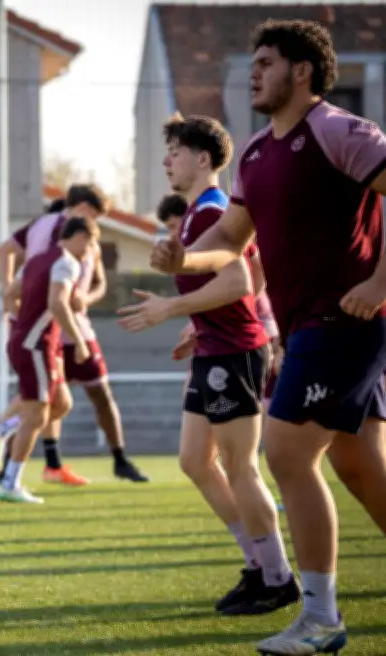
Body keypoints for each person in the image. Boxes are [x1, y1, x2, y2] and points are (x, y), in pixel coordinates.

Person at [150, 19, 386, 654]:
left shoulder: (341, 131)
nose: (253, 71)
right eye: (252, 62)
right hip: (311, 327)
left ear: (301, 71)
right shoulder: (255, 153)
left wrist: (382, 281)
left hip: (345, 323)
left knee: (285, 455)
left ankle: (321, 619)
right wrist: (183, 261)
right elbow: (229, 241)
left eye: (265, 62)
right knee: (360, 467)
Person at [119, 113, 298, 617]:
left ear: (202, 159)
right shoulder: (205, 212)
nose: (165, 160)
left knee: (240, 467)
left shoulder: (212, 210)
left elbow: (241, 281)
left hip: (236, 353)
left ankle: (278, 578)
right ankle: (257, 564)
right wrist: (199, 324)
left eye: (174, 150)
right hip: (216, 347)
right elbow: (255, 277)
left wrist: (172, 308)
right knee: (196, 462)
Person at [0, 185, 148, 491]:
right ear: (79, 208)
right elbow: (53, 298)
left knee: (58, 400)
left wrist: (11, 300)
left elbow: (19, 270)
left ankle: (22, 452)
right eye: (92, 215)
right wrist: (71, 331)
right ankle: (6, 467)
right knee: (38, 401)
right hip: (51, 330)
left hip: (51, 327)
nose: (95, 229)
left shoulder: (63, 239)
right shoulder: (60, 244)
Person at [0, 217, 100, 502]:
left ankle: (1, 431)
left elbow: (9, 293)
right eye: (91, 242)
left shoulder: (36, 259)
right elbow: (57, 303)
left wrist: (20, 322)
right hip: (36, 345)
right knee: (37, 415)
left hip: (29, 341)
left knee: (61, 403)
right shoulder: (67, 262)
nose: (91, 249)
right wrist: (79, 341)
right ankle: (10, 482)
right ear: (79, 236)